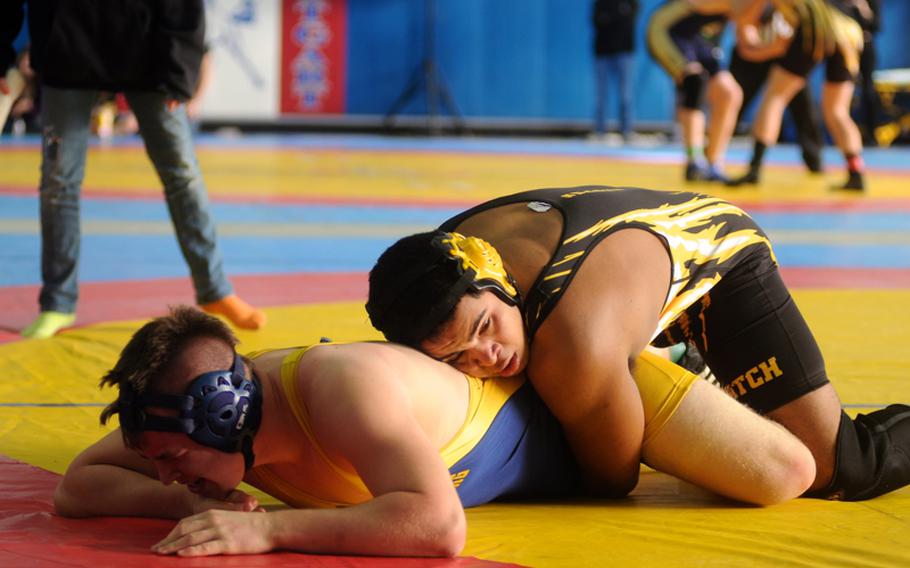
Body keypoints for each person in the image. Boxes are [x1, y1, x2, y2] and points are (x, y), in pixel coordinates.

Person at [56, 306, 813, 557]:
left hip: (585, 403)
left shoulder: (339, 388)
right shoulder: (189, 426)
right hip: (553, 470)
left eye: (172, 462)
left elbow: (436, 526)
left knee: (789, 473)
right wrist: (190, 507)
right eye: (155, 462)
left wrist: (267, 532)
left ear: (226, 416)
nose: (161, 472)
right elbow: (78, 487)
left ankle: (681, 357)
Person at [367, 185, 910, 502]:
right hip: (628, 283)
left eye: (485, 327)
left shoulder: (574, 344)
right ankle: (677, 361)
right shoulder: (438, 260)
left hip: (716, 266)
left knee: (839, 467)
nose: (486, 359)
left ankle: (680, 357)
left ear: (496, 277)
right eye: (456, 358)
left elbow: (612, 477)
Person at [0, 0, 265, 339]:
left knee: (181, 173)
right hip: (67, 49)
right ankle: (57, 302)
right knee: (58, 182)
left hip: (149, 52)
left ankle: (214, 289)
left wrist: (179, 70)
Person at [729, 0, 867, 190]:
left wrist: (759, 48)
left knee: (775, 98)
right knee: (838, 110)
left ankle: (754, 168)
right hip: (849, 32)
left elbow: (748, 26)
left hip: (815, 27)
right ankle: (855, 172)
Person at [646, 0, 742, 182]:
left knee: (730, 93)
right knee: (695, 83)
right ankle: (694, 162)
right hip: (668, 30)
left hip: (700, 39)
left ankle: (714, 162)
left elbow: (747, 28)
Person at [729, 6, 824, 173]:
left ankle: (813, 159)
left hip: (784, 55)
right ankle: (713, 154)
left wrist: (780, 47)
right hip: (760, 54)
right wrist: (770, 48)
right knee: (733, 102)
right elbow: (745, 42)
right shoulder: (755, 7)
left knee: (802, 107)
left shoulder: (797, 10)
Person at [591, 0, 638, 142]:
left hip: (624, 52)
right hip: (603, 52)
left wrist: (610, 18)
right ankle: (600, 130)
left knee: (626, 94)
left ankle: (626, 130)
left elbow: (629, 20)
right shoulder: (601, 2)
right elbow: (597, 21)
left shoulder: (630, 2)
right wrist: (616, 17)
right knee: (601, 95)